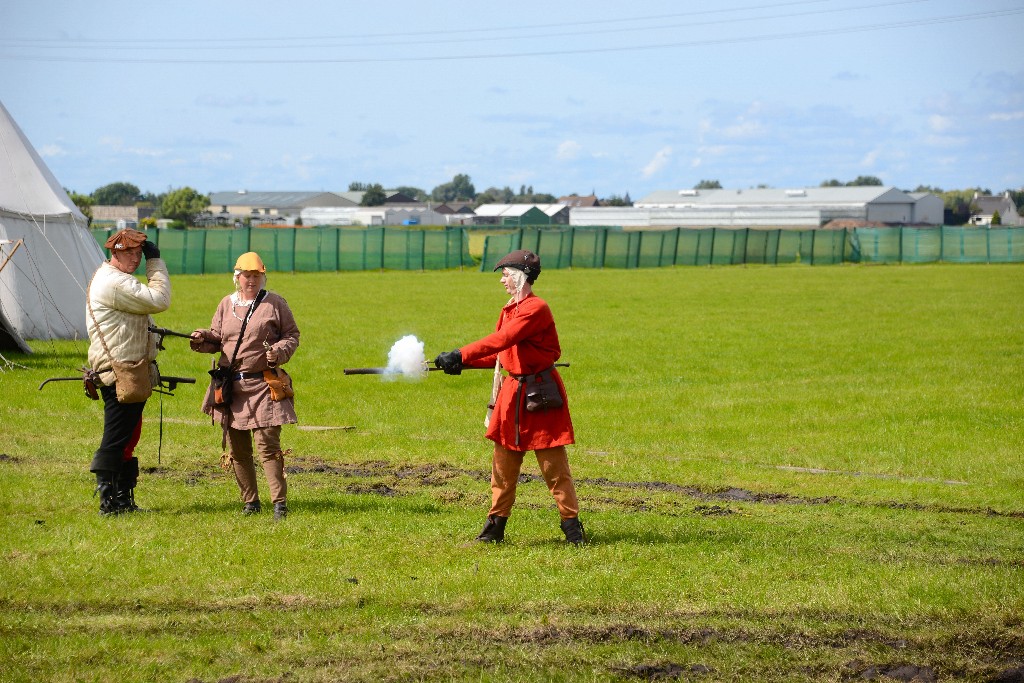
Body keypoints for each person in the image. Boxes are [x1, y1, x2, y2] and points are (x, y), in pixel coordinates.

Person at [434, 249, 585, 545]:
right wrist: (459, 363)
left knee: (554, 470)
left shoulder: (535, 309)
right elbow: (501, 354)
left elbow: (503, 339)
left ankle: (572, 529)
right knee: (502, 468)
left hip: (540, 394)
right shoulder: (510, 310)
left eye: (505, 275)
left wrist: (461, 353)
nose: (502, 280)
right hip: (512, 395)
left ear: (520, 276)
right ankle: (495, 529)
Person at [189, 252, 299, 521]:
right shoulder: (226, 304)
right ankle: (251, 502)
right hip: (231, 388)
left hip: (264, 385)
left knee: (268, 446)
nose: (251, 281)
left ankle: (279, 505)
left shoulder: (275, 303)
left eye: (256, 276)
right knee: (238, 450)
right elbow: (218, 338)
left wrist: (278, 351)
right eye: (246, 276)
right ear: (237, 277)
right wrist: (202, 337)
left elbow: (292, 335)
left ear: (263, 277)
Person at [86, 228, 170, 515]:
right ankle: (108, 503)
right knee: (117, 436)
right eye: (129, 253)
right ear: (115, 253)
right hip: (121, 370)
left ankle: (122, 500)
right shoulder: (114, 283)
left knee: (129, 436)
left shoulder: (116, 278)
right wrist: (155, 263)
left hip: (130, 368)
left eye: (139, 253)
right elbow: (160, 300)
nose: (135, 259)